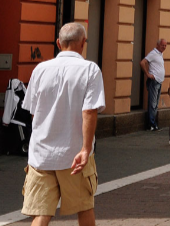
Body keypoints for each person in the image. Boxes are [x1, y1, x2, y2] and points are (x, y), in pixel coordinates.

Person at [21, 23, 105, 226]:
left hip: (41, 154)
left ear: (58, 43)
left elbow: (34, 112)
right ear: (83, 43)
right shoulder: (90, 70)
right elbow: (89, 111)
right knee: (84, 208)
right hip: (74, 155)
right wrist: (86, 149)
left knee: (41, 213)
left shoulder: (40, 69)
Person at [139, 38, 166, 131]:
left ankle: (153, 123)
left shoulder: (160, 54)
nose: (164, 47)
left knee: (155, 104)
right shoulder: (153, 53)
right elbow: (143, 62)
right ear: (158, 45)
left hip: (159, 81)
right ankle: (151, 124)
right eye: (163, 45)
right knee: (152, 103)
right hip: (154, 81)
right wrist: (148, 74)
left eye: (165, 45)